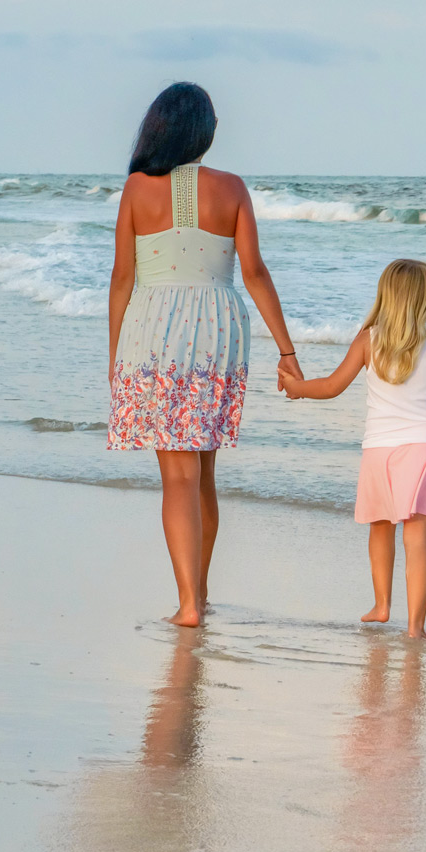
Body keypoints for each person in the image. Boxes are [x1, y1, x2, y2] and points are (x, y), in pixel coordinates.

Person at [108, 82, 303, 627]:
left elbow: (122, 280)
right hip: (217, 331)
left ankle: (189, 603)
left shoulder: (136, 190)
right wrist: (286, 349)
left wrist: (115, 357)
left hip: (155, 332)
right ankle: (201, 592)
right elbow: (255, 274)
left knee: (178, 479)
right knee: (204, 474)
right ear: (205, 132)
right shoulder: (232, 187)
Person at [280, 259, 426, 640]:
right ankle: (415, 627)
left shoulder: (367, 341)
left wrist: (296, 388)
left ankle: (382, 603)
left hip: (379, 450)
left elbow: (331, 387)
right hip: (425, 449)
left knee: (379, 529)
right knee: (419, 539)